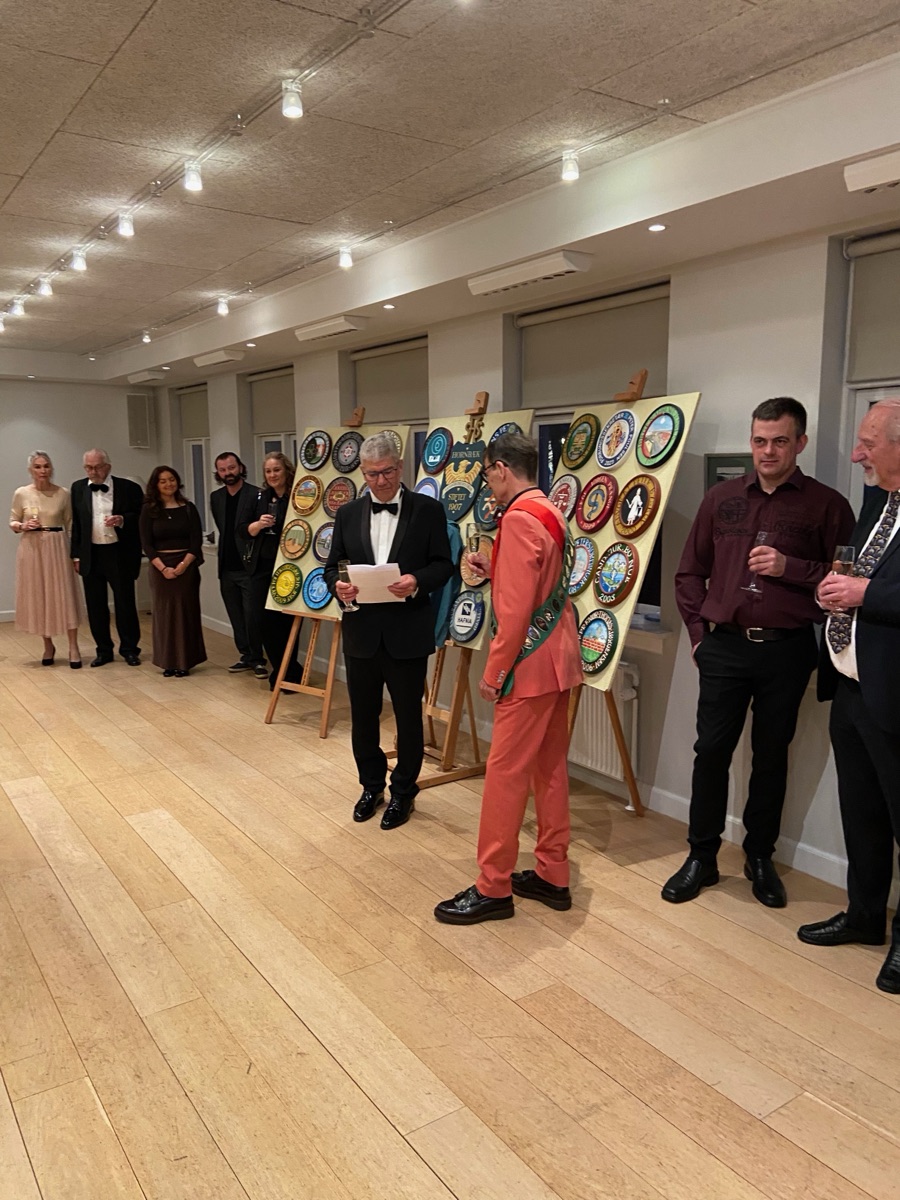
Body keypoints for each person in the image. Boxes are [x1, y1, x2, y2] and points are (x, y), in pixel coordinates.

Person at [665, 397, 854, 907]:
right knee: (711, 752)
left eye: (780, 441)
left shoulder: (828, 506)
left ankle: (759, 857)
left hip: (787, 650)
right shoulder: (721, 498)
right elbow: (689, 572)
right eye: (759, 441)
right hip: (724, 646)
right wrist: (699, 635)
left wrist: (790, 567)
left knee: (772, 756)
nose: (768, 451)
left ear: (800, 443)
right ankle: (701, 857)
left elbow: (847, 579)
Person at [434, 431, 583, 924]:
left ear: (500, 468)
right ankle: (553, 873)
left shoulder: (517, 519)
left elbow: (517, 613)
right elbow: (542, 585)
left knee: (505, 776)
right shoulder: (549, 509)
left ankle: (493, 886)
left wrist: (495, 673)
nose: (488, 485)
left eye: (488, 475)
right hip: (559, 659)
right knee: (549, 770)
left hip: (528, 667)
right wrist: (496, 568)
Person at [799, 399, 900, 994]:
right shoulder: (878, 502)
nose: (857, 453)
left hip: (894, 695)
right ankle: (864, 916)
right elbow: (859, 574)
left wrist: (865, 595)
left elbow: (875, 591)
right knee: (861, 813)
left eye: (869, 443)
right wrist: (833, 591)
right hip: (851, 687)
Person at [324, 432, 453, 830]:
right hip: (361, 632)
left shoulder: (428, 510)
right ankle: (371, 786)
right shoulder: (347, 514)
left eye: (387, 472)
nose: (380, 481)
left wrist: (416, 580)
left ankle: (403, 792)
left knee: (408, 718)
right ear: (362, 473)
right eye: (371, 474)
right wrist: (338, 585)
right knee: (363, 717)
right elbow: (332, 567)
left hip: (407, 631)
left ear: (400, 467)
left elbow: (443, 565)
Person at [9, 451, 84, 668]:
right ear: (30, 470)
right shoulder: (22, 493)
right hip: (32, 548)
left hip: (57, 546)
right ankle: (48, 644)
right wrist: (23, 525)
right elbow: (13, 520)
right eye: (38, 466)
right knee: (39, 595)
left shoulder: (63, 493)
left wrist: (76, 554)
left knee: (64, 594)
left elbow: (70, 524)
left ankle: (73, 646)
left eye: (46, 466)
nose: (43, 470)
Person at [70, 448, 144, 668]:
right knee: (96, 606)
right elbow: (77, 524)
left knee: (125, 603)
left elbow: (141, 517)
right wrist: (76, 555)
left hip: (119, 553)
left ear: (108, 467)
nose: (92, 472)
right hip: (91, 553)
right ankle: (103, 651)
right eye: (88, 467)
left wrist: (122, 519)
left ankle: (130, 649)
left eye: (97, 467)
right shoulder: (77, 488)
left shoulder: (129, 488)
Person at [241, 452, 302, 689]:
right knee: (262, 621)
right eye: (268, 471)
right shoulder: (258, 498)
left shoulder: (298, 496)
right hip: (262, 568)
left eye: (277, 470)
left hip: (290, 567)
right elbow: (242, 530)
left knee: (287, 622)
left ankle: (288, 673)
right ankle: (281, 669)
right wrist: (258, 525)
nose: (273, 475)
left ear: (286, 470)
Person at [139, 466, 206, 677]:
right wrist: (163, 568)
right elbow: (146, 543)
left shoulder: (189, 508)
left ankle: (185, 662)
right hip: (160, 569)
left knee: (186, 614)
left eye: (172, 479)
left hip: (186, 567)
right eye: (163, 481)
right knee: (164, 616)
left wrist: (183, 565)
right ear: (156, 485)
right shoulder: (149, 510)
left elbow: (196, 541)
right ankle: (167, 661)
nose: (169, 484)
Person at [210, 451, 267, 679]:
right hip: (226, 567)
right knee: (235, 615)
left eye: (231, 468)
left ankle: (258, 659)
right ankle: (245, 655)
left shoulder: (257, 494)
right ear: (218, 473)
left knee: (253, 616)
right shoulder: (216, 497)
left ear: (241, 467)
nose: (228, 473)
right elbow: (224, 530)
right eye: (223, 470)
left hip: (249, 567)